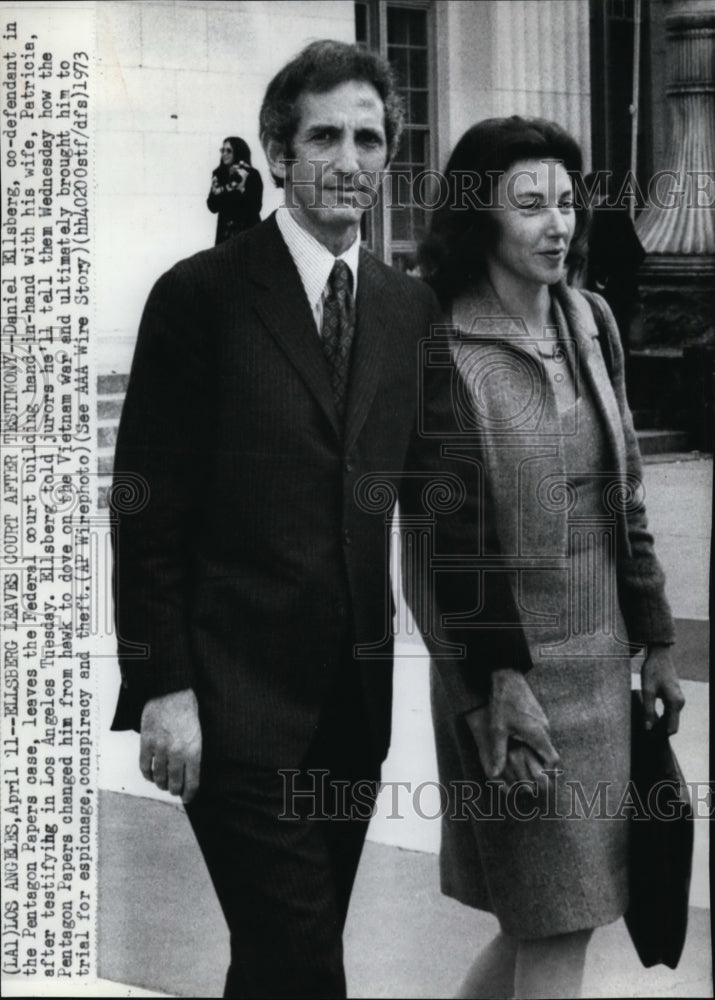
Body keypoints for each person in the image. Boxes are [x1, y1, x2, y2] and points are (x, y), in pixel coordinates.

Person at [110, 39, 450, 999]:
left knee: (274, 966)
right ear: (276, 152)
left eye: (370, 139)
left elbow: (438, 505)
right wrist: (163, 687)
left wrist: (499, 666)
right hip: (229, 710)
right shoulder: (199, 298)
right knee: (304, 970)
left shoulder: (406, 309)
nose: (351, 161)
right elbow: (146, 512)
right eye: (326, 137)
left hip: (352, 713)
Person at [413, 116, 684, 1000]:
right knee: (554, 918)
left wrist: (655, 637)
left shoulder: (590, 320)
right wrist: (494, 683)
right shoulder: (441, 345)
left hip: (599, 671)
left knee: (556, 917)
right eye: (528, 204)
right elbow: (434, 551)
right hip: (506, 680)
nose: (555, 223)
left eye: (566, 201)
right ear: (478, 217)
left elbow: (625, 496)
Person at [207, 135, 263, 244]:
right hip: (225, 235)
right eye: (222, 150)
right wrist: (217, 191)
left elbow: (256, 207)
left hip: (248, 234)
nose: (224, 154)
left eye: (228, 151)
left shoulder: (251, 174)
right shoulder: (219, 175)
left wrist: (241, 189)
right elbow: (212, 207)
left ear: (238, 152)